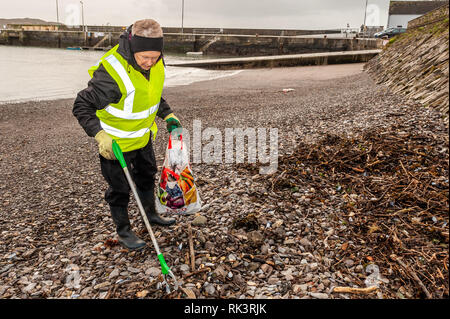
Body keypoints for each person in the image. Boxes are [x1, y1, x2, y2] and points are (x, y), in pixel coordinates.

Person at [73, 19, 182, 251]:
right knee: (120, 188)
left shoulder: (155, 63)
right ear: (133, 48)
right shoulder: (112, 73)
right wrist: (100, 136)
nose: (150, 62)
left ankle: (150, 215)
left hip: (142, 138)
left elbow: (149, 95)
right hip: (116, 144)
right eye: (145, 57)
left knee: (146, 176)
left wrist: (168, 114)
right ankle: (123, 232)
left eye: (155, 57)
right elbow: (82, 105)